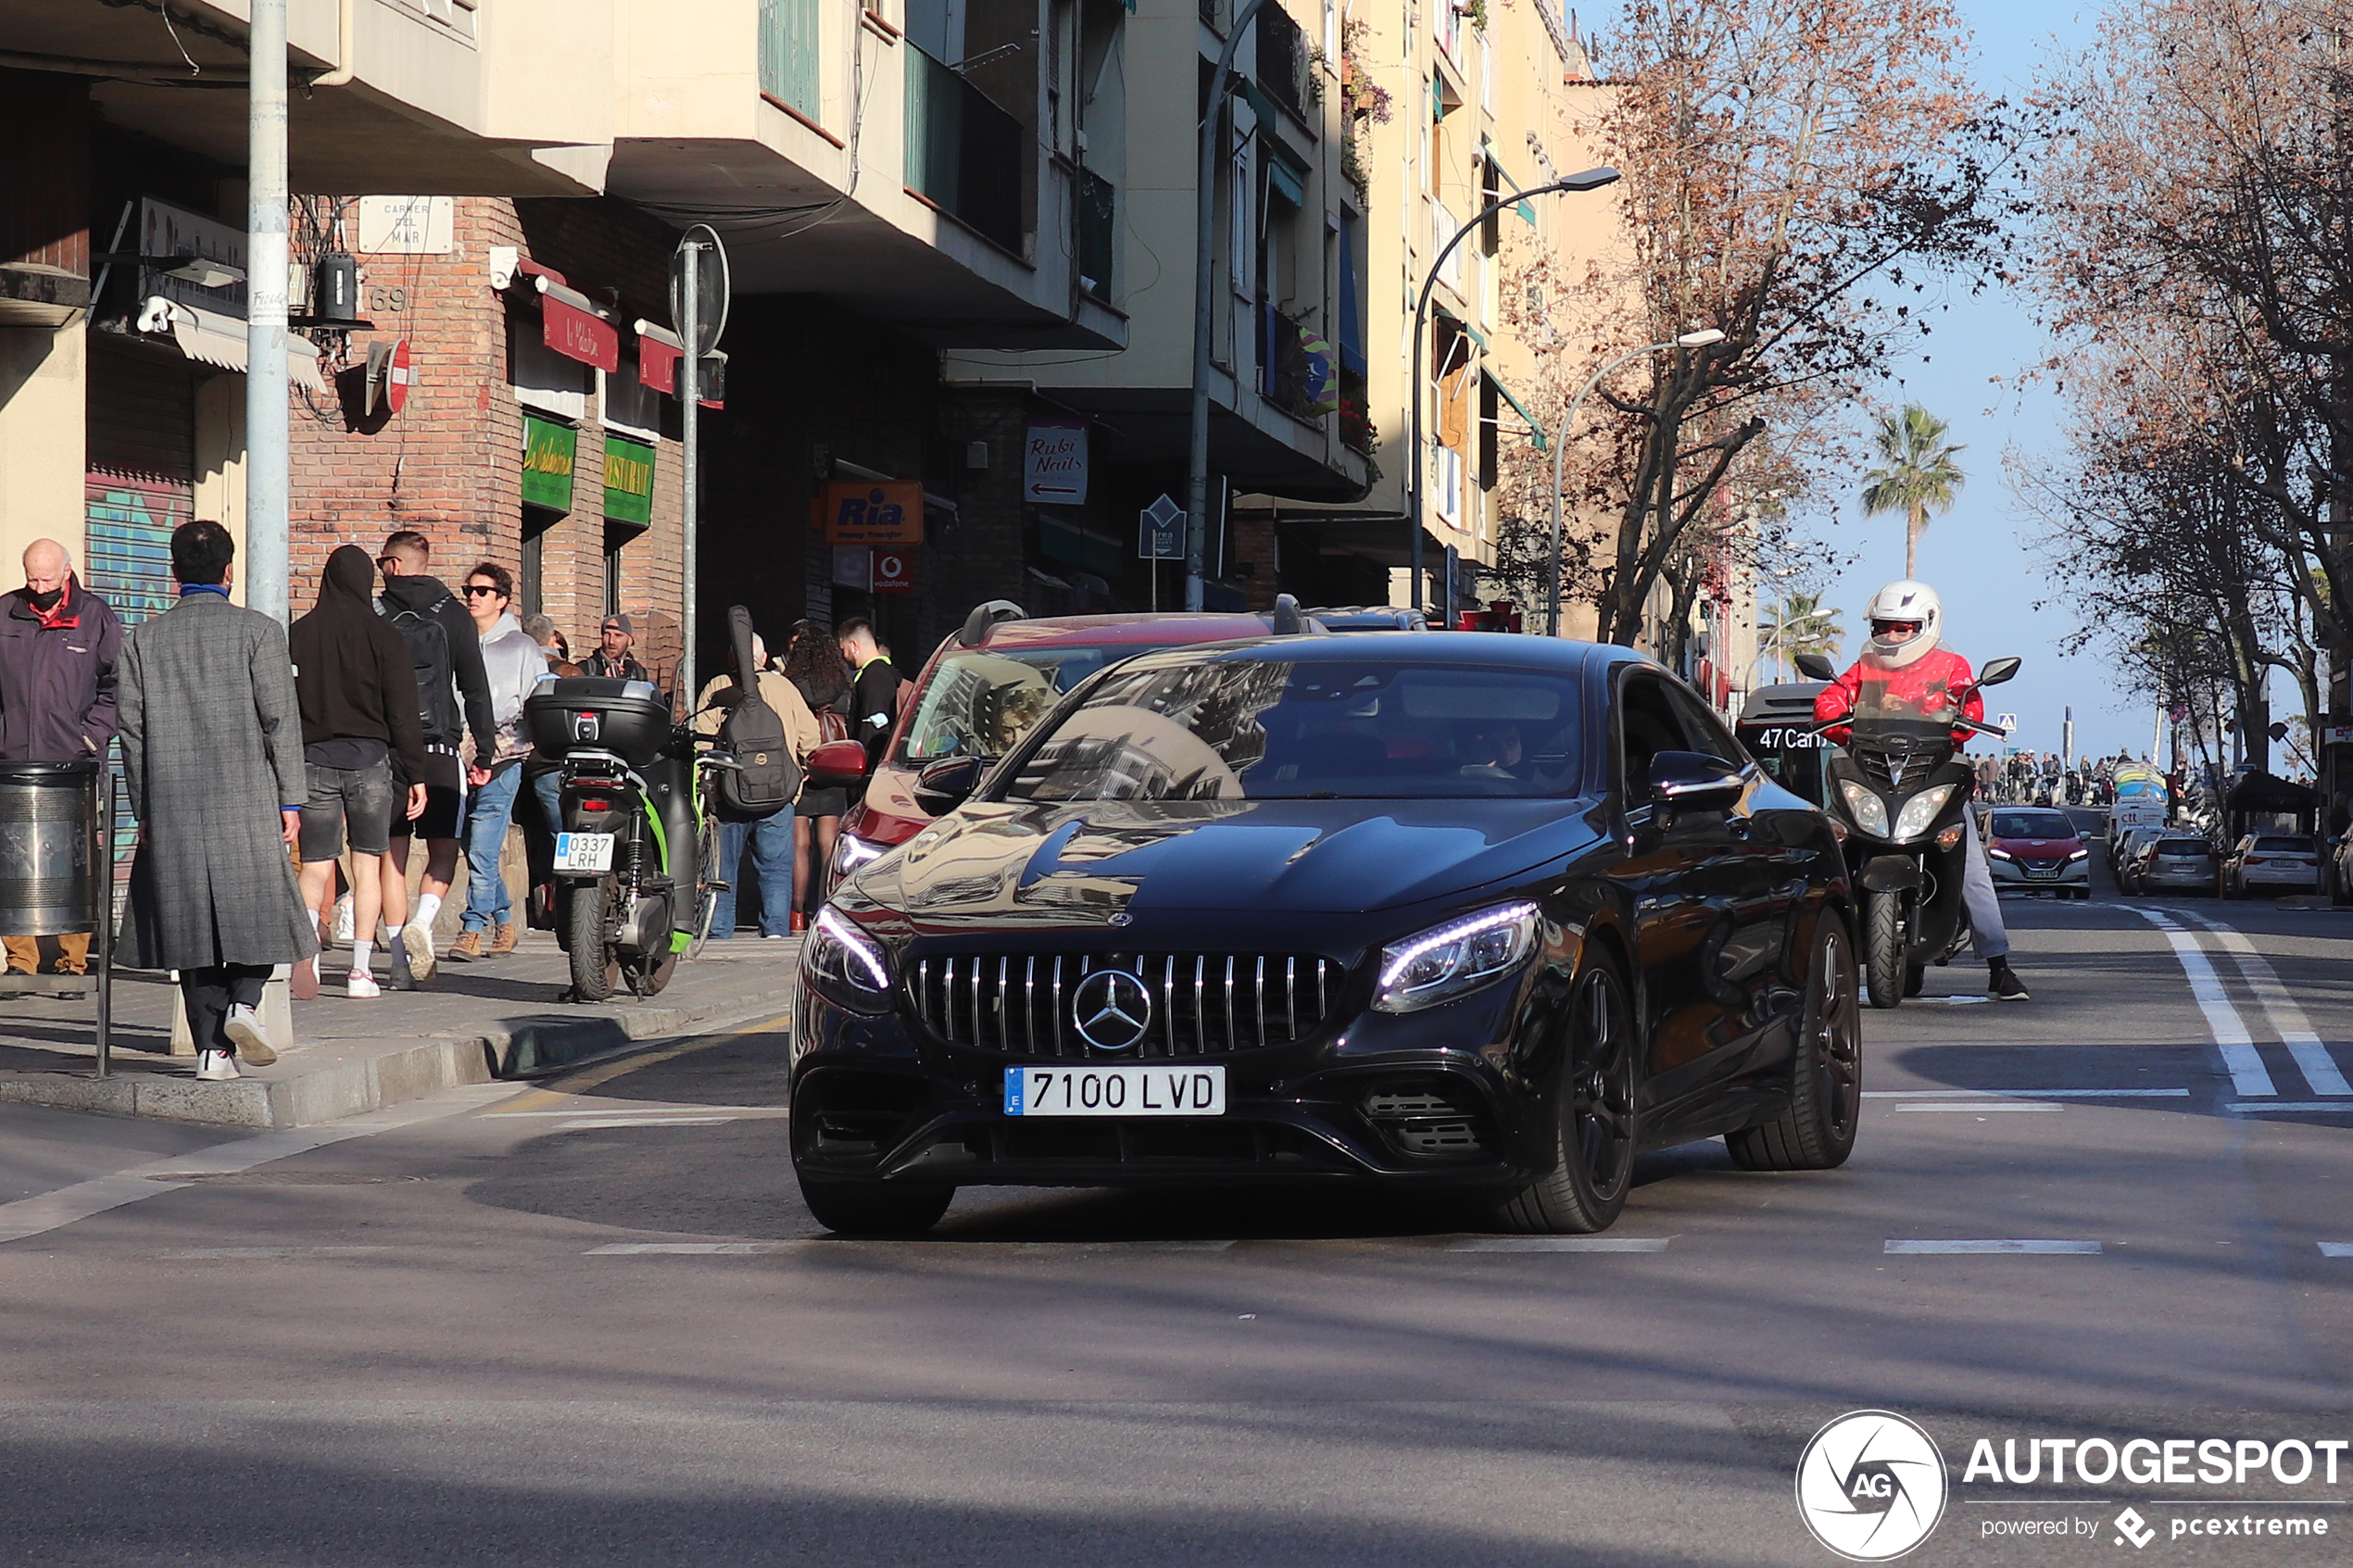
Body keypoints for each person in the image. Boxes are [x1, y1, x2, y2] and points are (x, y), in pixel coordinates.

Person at [117, 520, 316, 1081]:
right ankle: (245, 1004)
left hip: (174, 801)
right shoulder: (259, 631)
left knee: (190, 928)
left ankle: (211, 1051)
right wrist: (291, 799)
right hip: (248, 791)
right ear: (230, 572)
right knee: (262, 908)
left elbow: (131, 732)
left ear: (174, 573)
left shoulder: (142, 639)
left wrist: (145, 808)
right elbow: (281, 720)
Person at [1813, 580, 2027, 1000]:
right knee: (1824, 848)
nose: (1893, 635)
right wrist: (1834, 715)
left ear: (1926, 624)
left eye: (1904, 627)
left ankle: (1999, 965)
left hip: (1931, 773)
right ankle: (1805, 960)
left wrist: (1949, 712)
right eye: (1885, 625)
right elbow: (1832, 700)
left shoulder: (1951, 666)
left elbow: (1969, 706)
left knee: (1973, 870)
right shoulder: (1866, 666)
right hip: (1873, 774)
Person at [289, 546, 430, 998]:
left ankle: (306, 956)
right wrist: (416, 773)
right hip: (370, 762)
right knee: (368, 867)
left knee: (315, 867)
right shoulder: (385, 637)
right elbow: (404, 714)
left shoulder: (299, 635)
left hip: (312, 762)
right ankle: (361, 972)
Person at [0, 538, 123, 991]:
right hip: (14, 760)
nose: (38, 587)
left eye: (47, 579)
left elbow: (118, 684)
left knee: (75, 858)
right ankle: (20, 958)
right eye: (32, 578)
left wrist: (90, 736)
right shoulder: (6, 613)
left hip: (73, 761)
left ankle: (73, 958)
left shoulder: (95, 618)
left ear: (67, 574)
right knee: (12, 857)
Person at [374, 530, 497, 985]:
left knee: (393, 854)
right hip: (441, 749)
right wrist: (484, 748)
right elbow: (475, 685)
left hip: (388, 749)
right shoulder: (454, 614)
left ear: (397, 565)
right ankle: (422, 924)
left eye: (382, 561)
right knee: (445, 849)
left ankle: (399, 965)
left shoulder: (376, 612)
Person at [694, 630, 822, 939]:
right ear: (763, 658)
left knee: (723, 870)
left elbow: (700, 740)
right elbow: (811, 738)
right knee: (776, 870)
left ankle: (720, 932)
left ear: (731, 657)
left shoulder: (719, 686)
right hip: (778, 797)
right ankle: (776, 931)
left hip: (730, 796)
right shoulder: (786, 688)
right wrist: (799, 770)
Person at [450, 562, 547, 961]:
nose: (473, 596)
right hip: (458, 755)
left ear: (502, 600)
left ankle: (472, 927)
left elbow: (538, 702)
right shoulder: (456, 641)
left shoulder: (522, 647)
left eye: (483, 591)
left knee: (485, 841)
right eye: (468, 589)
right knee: (472, 843)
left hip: (505, 756)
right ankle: (505, 918)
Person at [782, 621, 854, 931]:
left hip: (802, 762)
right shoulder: (839, 679)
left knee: (799, 844)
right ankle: (826, 909)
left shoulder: (791, 681)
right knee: (828, 843)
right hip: (834, 764)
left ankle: (796, 913)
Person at [837, 615, 901, 769]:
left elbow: (873, 730)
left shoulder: (874, 677)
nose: (843, 656)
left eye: (843, 650)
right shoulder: (886, 672)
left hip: (872, 772)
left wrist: (864, 774)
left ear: (854, 646)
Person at [583, 613, 648, 683]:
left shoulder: (637, 671)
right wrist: (603, 682)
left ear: (630, 640)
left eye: (618, 635)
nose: (611, 641)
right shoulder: (585, 669)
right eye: (607, 634)